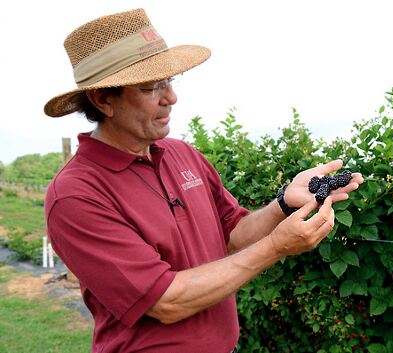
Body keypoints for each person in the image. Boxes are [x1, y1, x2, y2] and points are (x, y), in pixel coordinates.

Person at [43, 8, 363, 353]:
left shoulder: (182, 154)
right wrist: (275, 248)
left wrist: (284, 202)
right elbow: (165, 301)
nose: (171, 97)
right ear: (103, 99)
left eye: (170, 81)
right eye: (151, 86)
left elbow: (232, 237)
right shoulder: (77, 195)